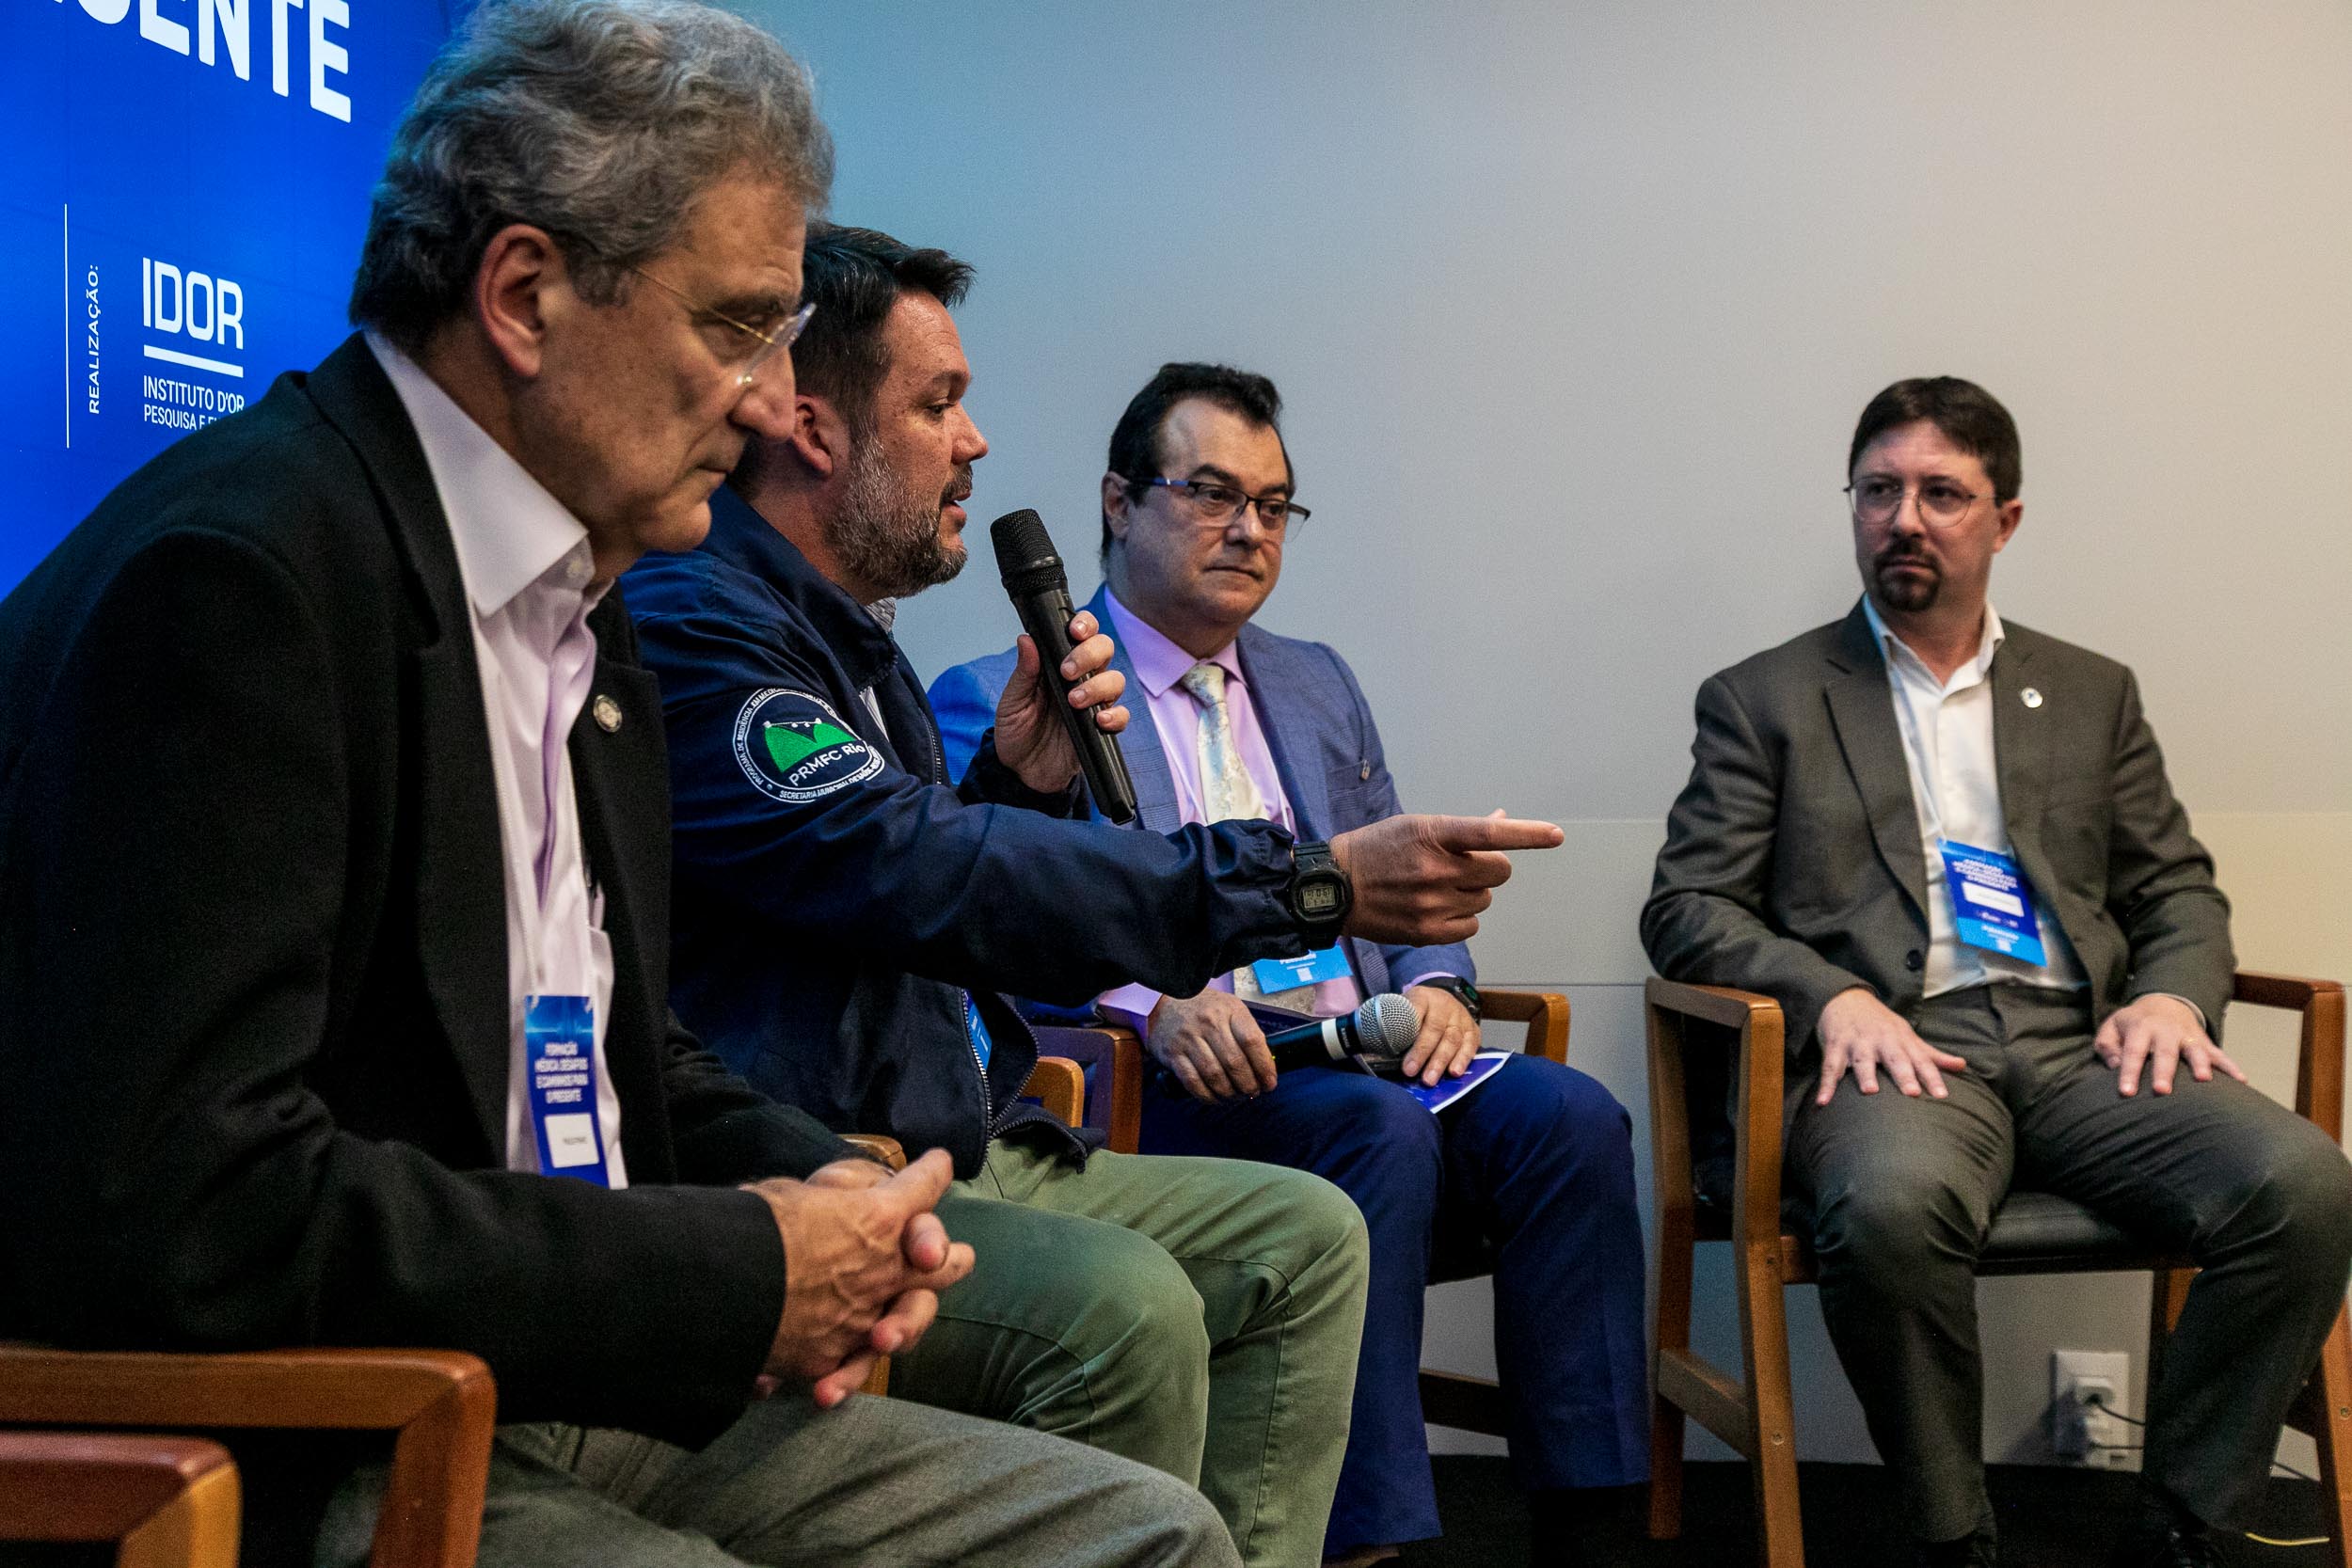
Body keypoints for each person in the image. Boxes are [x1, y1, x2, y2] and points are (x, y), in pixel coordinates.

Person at [0, 8, 1244, 1566]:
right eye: (736, 330)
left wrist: (822, 1184)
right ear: (525, 294)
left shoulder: (584, 608)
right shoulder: (244, 583)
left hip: (570, 1366)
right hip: (330, 1427)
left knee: (1146, 1535)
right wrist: (729, 1272)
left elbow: (606, 1045)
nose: (770, 401)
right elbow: (188, 1206)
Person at [623, 225, 1563, 1568]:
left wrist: (1017, 777)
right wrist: (1312, 882)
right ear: (814, 428)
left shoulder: (853, 635)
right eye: (939, 404)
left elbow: (914, 891)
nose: (976, 443)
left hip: (978, 1127)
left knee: (1310, 1235)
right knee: (1133, 1300)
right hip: (842, 1155)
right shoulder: (702, 622)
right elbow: (902, 866)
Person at [935, 362, 1651, 1568]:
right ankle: (1357, 1538)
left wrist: (1436, 985)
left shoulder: (1317, 679)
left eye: (1273, 504)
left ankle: (1595, 1535)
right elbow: (985, 930)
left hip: (1360, 1047)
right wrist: (1148, 998)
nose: (1249, 529)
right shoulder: (1004, 698)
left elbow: (1403, 879)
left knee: (1569, 1118)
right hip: (1179, 1080)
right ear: (1118, 501)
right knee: (1378, 1131)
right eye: (1212, 492)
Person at [1640, 375, 2352, 1568]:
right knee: (1889, 1207)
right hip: (1897, 1054)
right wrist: (1832, 996)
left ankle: (2186, 1516)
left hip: (2078, 1047)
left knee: (2304, 1183)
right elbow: (1687, 904)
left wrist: (2170, 994)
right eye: (1878, 491)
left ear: (2003, 518)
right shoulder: (1765, 699)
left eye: (1940, 493)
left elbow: (2174, 887)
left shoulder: (2088, 691)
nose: (1903, 518)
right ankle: (1953, 1532)